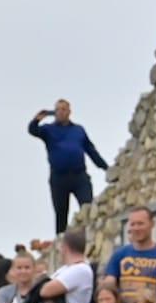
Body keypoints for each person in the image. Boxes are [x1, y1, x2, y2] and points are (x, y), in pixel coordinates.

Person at [27, 99, 109, 233]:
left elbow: (91, 150)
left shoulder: (78, 130)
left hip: (79, 176)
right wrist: (37, 119)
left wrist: (106, 168)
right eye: (57, 109)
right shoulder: (48, 130)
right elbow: (33, 130)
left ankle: (90, 236)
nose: (60, 112)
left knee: (88, 207)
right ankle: (61, 245)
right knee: (61, 214)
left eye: (63, 109)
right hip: (59, 178)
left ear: (69, 112)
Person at [103, 206, 156, 303]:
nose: (136, 228)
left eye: (140, 224)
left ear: (152, 224)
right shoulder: (119, 255)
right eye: (132, 224)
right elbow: (107, 289)